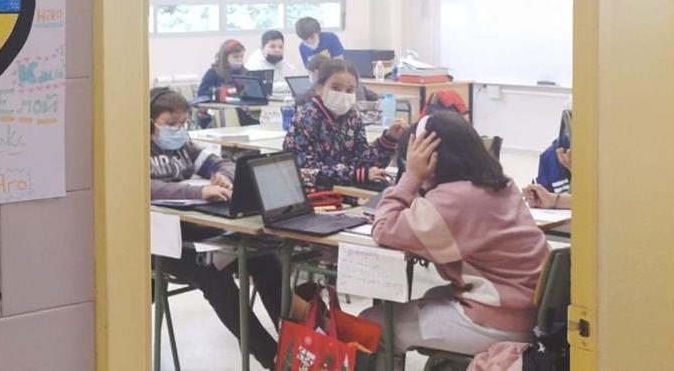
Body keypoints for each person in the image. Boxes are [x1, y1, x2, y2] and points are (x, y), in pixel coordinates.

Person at [362, 112, 549, 363]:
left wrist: (411, 177)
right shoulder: (502, 186)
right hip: (528, 313)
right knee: (432, 295)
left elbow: (383, 228)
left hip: (497, 323)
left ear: (430, 157)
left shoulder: (453, 200)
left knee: (371, 322)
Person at [149, 87, 283, 368]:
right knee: (214, 277)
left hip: (199, 230)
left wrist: (220, 176)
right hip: (167, 242)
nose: (178, 129)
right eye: (170, 124)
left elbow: (223, 163)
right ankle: (274, 358)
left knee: (264, 258)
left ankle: (298, 341)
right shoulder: (137, 149)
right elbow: (147, 187)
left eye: (183, 124)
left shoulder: (185, 147)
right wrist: (198, 192)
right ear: (150, 122)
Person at [283, 59, 403, 189]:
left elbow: (364, 161)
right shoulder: (306, 118)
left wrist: (389, 139)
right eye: (336, 88)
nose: (343, 95)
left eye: (350, 90)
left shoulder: (352, 117)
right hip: (318, 193)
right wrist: (356, 174)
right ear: (319, 88)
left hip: (349, 188)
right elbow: (306, 171)